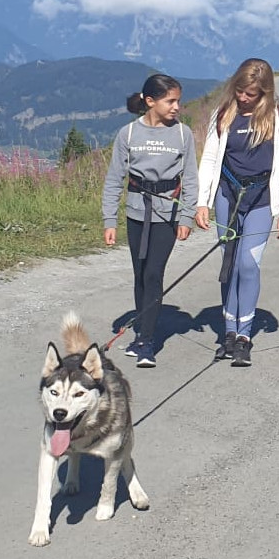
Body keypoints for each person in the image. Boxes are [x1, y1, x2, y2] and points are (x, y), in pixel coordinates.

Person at [195, 58, 279, 367]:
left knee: (247, 265)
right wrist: (202, 201)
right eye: (239, 90)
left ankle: (244, 336)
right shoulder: (224, 114)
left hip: (262, 199)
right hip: (227, 196)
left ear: (264, 92)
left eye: (250, 93)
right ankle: (228, 332)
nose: (243, 97)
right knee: (229, 264)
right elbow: (210, 159)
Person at [102, 73, 198, 368]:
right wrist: (110, 220)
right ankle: (141, 330)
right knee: (141, 274)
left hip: (166, 215)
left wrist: (187, 216)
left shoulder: (183, 134)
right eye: (170, 101)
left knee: (154, 273)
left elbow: (191, 178)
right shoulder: (128, 134)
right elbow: (114, 179)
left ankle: (146, 340)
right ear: (150, 101)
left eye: (178, 101)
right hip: (135, 213)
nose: (176, 107)